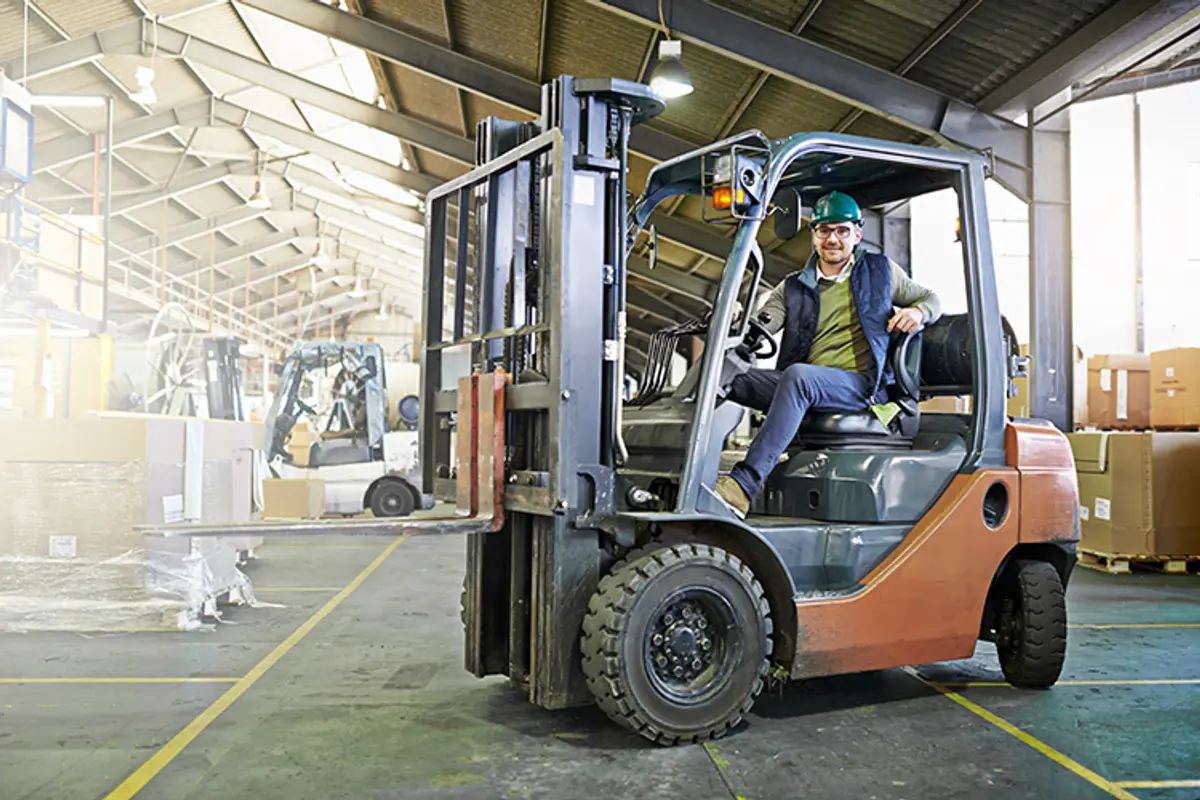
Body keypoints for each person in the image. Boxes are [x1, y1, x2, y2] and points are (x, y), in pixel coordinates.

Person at [714, 190, 941, 518]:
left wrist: (919, 313)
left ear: (857, 234)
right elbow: (760, 326)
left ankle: (743, 485)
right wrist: (735, 318)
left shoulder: (881, 272)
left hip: (861, 386)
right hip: (808, 387)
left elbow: (931, 298)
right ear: (814, 235)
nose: (832, 239)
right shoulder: (792, 287)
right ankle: (690, 471)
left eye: (841, 230)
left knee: (798, 377)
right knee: (727, 376)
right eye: (824, 230)